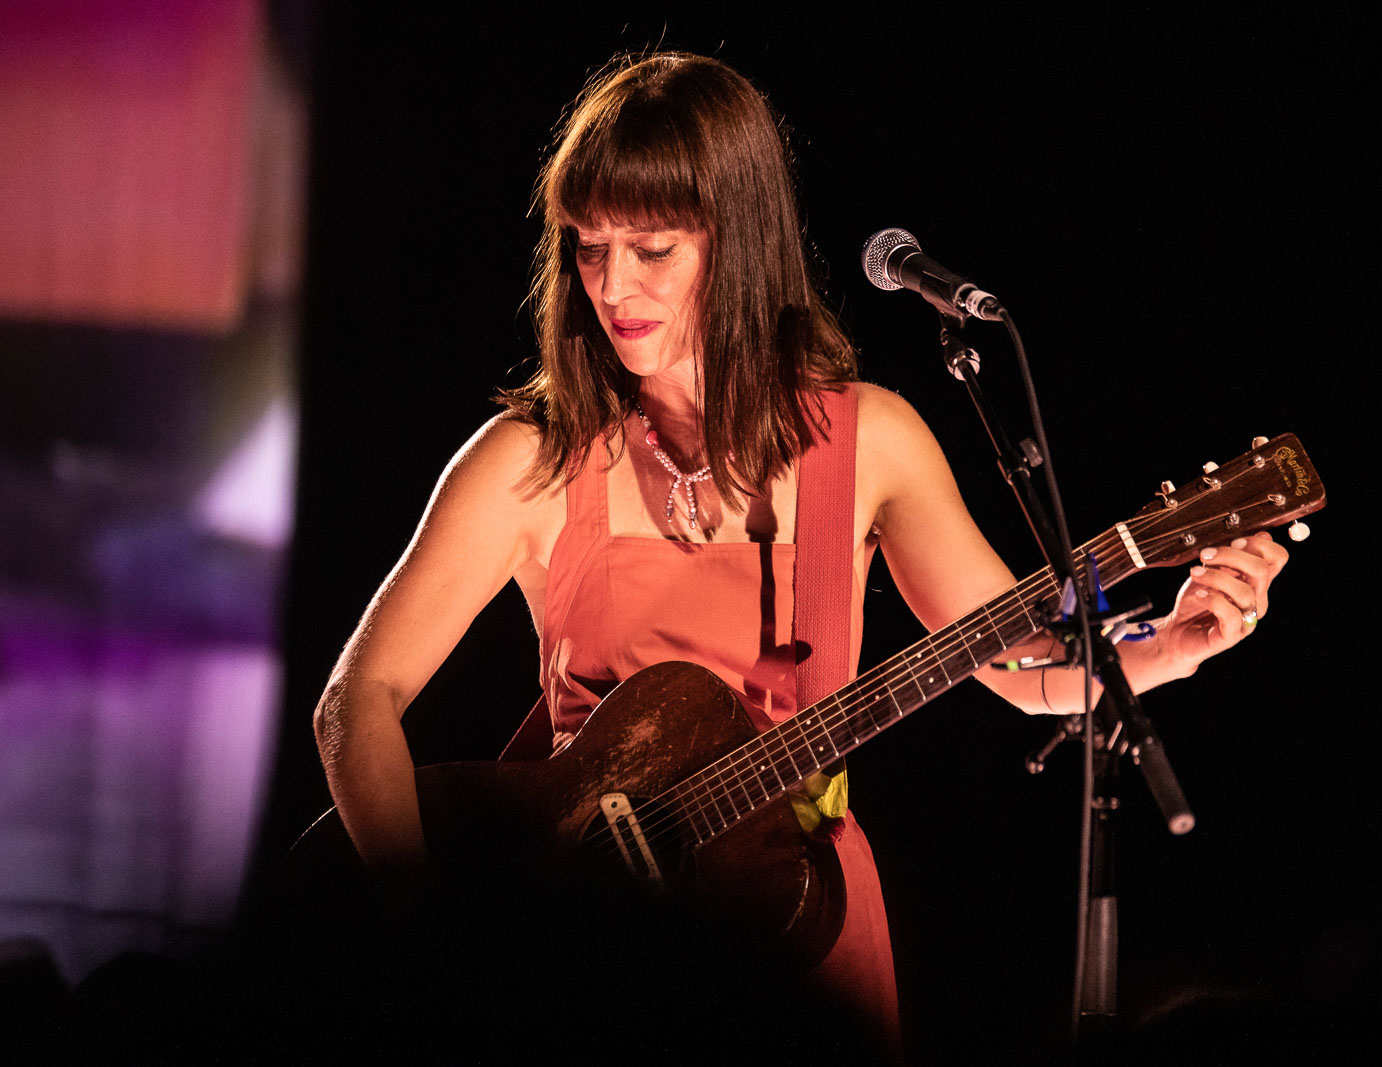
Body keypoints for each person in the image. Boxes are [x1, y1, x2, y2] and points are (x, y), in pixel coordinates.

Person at [311, 51, 1289, 1052]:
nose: (610, 284)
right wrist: (435, 925)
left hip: (797, 916)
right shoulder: (533, 456)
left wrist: (1176, 643)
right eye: (589, 247)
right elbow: (357, 702)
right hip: (584, 943)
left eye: (650, 248)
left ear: (737, 241)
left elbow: (1026, 670)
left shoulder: (874, 440)